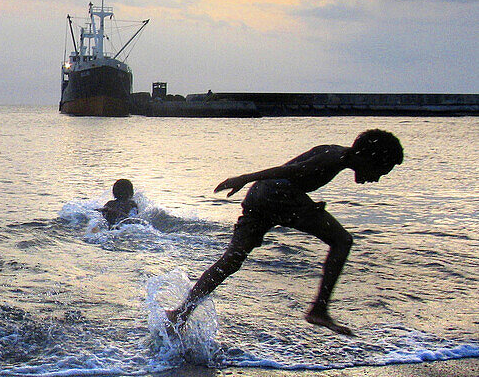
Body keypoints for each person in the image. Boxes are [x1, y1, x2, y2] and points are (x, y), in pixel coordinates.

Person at [167, 129, 404, 336]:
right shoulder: (333, 158)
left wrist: (250, 183)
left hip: (259, 196)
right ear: (370, 157)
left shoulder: (335, 153)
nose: (378, 177)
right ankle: (319, 309)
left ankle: (181, 312)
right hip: (279, 196)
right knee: (343, 240)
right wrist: (243, 178)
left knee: (232, 260)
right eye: (382, 170)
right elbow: (289, 171)